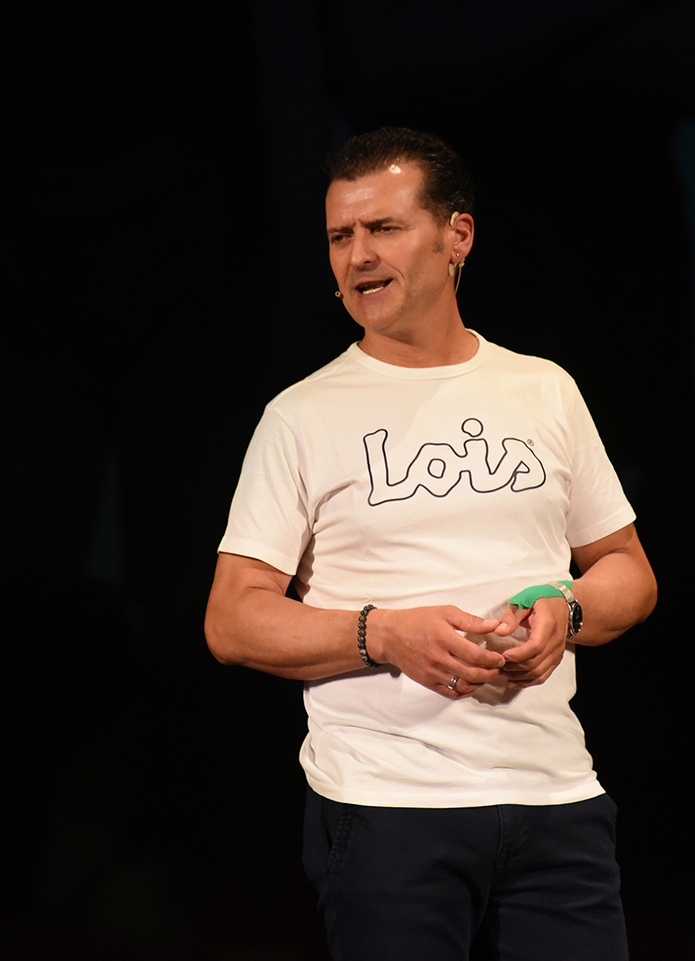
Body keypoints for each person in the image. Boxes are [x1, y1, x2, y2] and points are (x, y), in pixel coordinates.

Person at [205, 127, 656, 961]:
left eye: (384, 228)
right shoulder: (301, 416)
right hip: (388, 810)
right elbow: (232, 620)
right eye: (340, 236)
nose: (358, 256)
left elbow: (627, 570)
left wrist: (566, 609)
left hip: (556, 797)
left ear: (458, 236)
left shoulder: (543, 389)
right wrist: (382, 634)